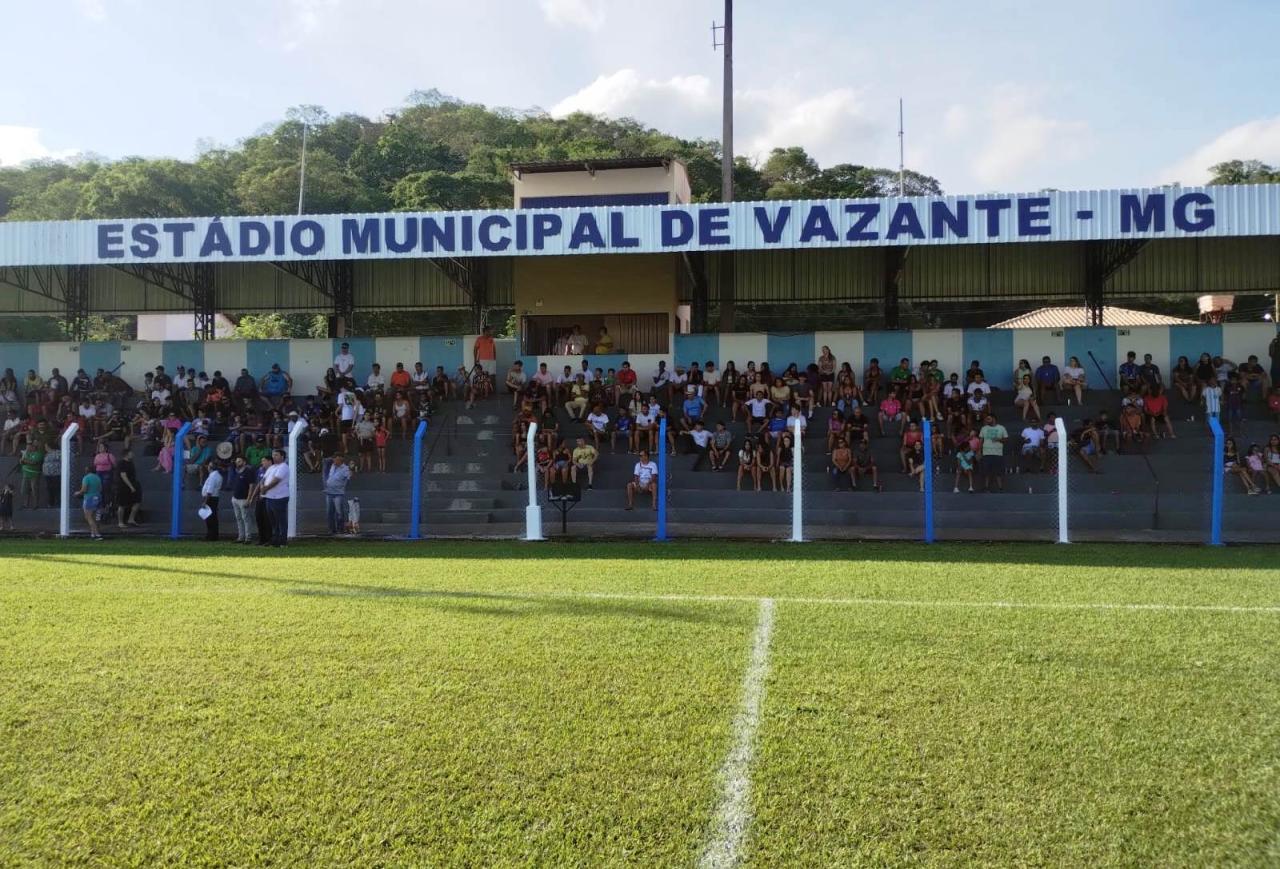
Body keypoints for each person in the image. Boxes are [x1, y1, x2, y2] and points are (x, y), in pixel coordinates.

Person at [259, 449, 291, 547]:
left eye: (276, 455)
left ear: (282, 457)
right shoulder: (272, 467)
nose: (273, 457)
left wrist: (265, 488)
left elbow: (276, 480)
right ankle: (275, 540)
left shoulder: (284, 467)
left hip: (279, 497)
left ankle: (282, 541)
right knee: (273, 521)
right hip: (269, 497)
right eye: (273, 455)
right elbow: (263, 479)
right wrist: (262, 488)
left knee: (281, 521)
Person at [323, 453, 353, 535]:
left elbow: (349, 476)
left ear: (340, 460)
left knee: (339, 512)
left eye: (337, 459)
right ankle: (331, 529)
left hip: (338, 493)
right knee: (329, 512)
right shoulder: (332, 466)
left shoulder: (345, 468)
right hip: (329, 492)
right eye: (334, 459)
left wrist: (351, 470)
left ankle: (340, 529)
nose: (335, 461)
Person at [978, 413, 1007, 492]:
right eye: (987, 419)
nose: (987, 420)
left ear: (994, 419)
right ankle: (986, 488)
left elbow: (1005, 439)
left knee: (998, 471)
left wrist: (998, 439)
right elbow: (981, 440)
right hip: (986, 452)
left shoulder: (1001, 428)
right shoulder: (984, 428)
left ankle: (1000, 488)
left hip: (998, 453)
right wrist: (979, 451)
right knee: (986, 471)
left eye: (989, 419)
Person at [74, 463, 104, 540]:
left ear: (87, 470)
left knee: (88, 517)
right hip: (99, 497)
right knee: (96, 517)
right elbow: (100, 488)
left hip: (90, 498)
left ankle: (97, 534)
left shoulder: (86, 478)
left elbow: (84, 489)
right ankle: (93, 533)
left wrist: (78, 493)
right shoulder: (98, 477)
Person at [114, 448, 141, 528]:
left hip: (133, 484)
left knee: (137, 501)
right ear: (126, 454)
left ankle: (131, 519)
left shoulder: (131, 463)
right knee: (122, 504)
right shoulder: (121, 463)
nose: (132, 454)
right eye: (131, 453)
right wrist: (131, 487)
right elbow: (123, 476)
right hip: (123, 486)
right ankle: (120, 522)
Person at [201, 460, 224, 541]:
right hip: (213, 498)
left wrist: (205, 502)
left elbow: (209, 491)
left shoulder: (213, 476)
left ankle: (211, 536)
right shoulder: (216, 475)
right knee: (212, 518)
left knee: (210, 518)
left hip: (211, 498)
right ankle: (212, 535)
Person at [18, 440, 44, 509]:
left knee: (34, 490)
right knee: (24, 490)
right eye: (28, 447)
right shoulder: (27, 453)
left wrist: (25, 461)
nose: (29, 448)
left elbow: (34, 462)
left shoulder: (39, 454)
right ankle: (25, 504)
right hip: (26, 474)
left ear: (35, 447)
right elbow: (22, 462)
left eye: (31, 447)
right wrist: (22, 459)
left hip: (34, 475)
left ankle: (36, 505)